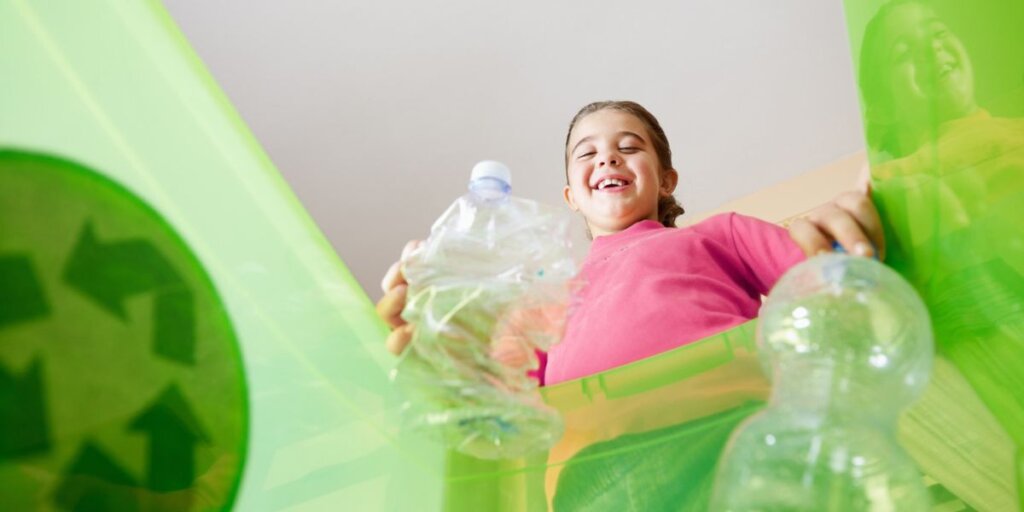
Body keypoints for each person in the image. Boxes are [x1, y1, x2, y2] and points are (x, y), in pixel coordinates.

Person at [376, 100, 884, 386]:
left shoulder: (721, 234)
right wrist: (444, 343)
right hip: (597, 469)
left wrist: (851, 234)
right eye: (588, 153)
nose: (608, 160)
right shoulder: (545, 299)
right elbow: (502, 396)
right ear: (571, 196)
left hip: (732, 424)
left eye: (628, 148)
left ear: (666, 180)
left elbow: (835, 278)